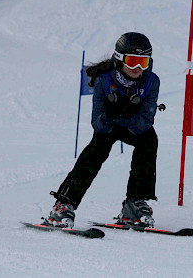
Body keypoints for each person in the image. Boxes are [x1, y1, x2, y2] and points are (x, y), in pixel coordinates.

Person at [43, 32, 160, 228]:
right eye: (132, 61)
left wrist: (128, 114)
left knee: (149, 140)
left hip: (134, 126)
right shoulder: (104, 80)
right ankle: (63, 205)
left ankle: (135, 203)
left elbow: (146, 122)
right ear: (119, 59)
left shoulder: (151, 81)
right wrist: (111, 115)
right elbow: (97, 125)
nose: (137, 68)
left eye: (143, 62)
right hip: (108, 127)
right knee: (96, 149)